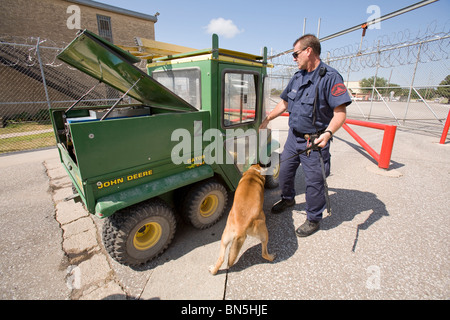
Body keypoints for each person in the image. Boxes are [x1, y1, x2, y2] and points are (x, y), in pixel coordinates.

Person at [260, 34, 352, 237]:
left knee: (314, 181)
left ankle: (314, 218)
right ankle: (288, 198)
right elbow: (284, 103)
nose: (294, 58)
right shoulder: (297, 76)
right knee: (284, 170)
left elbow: (340, 113)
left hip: (315, 141)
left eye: (295, 54)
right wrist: (267, 119)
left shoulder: (330, 77)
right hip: (294, 137)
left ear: (308, 51)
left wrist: (328, 133)